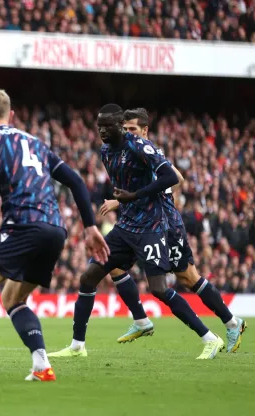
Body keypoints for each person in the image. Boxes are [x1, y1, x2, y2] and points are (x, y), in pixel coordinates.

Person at [0, 87, 110, 382]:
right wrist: (91, 226)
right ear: (12, 115)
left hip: (22, 225)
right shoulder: (36, 142)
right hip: (55, 231)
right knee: (13, 298)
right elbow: (76, 181)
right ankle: (41, 364)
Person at [48, 104, 225, 361]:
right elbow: (126, 185)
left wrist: (135, 195)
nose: (101, 131)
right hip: (125, 227)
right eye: (98, 127)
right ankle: (77, 345)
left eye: (106, 126)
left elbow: (170, 178)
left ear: (119, 125)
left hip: (150, 227)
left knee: (159, 289)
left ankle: (210, 338)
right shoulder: (106, 151)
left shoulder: (141, 146)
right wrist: (124, 200)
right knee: (88, 276)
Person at [97, 108, 247, 351]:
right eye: (126, 129)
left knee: (188, 278)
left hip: (164, 226)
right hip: (139, 225)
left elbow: (176, 179)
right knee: (113, 264)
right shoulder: (126, 153)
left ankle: (231, 322)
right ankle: (140, 319)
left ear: (144, 131)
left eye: (133, 129)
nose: (128, 133)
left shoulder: (148, 152)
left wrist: (155, 200)